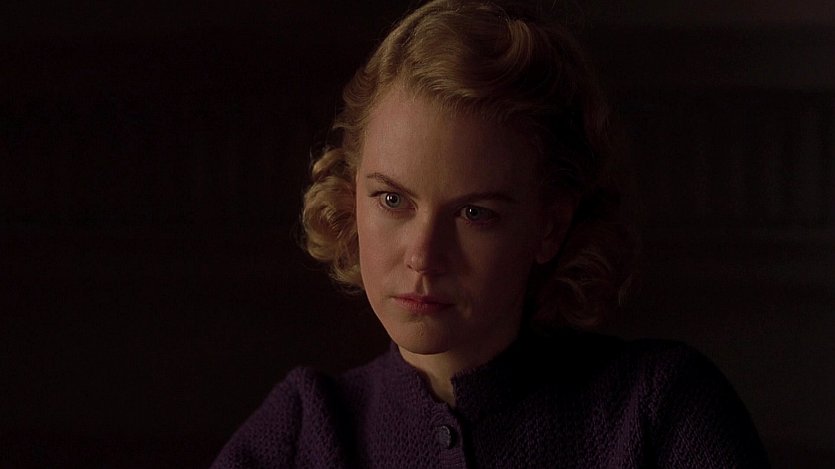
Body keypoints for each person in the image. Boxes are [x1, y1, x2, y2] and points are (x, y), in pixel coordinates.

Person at [211, 0, 770, 467]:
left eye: (474, 214)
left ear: (550, 226)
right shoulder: (302, 431)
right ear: (351, 194)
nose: (423, 256)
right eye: (392, 200)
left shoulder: (659, 411)